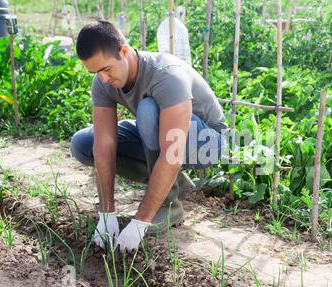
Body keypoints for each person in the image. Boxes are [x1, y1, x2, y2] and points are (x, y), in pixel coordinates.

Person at [70, 20, 227, 252]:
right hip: (167, 135)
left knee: (147, 110)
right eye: (95, 72)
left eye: (105, 69)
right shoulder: (103, 82)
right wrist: (107, 213)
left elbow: (173, 152)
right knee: (83, 144)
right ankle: (172, 182)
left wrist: (140, 221)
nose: (103, 79)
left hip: (205, 142)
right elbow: (104, 146)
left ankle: (169, 205)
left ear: (123, 51)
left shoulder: (166, 75)